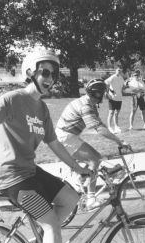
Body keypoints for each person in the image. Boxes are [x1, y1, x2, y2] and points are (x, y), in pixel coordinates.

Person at [0, 49, 95, 243]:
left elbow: (56, 145)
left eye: (54, 74)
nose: (50, 78)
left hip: (29, 171)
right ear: (31, 72)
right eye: (45, 72)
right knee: (52, 224)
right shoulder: (13, 100)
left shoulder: (42, 109)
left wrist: (79, 168)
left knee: (70, 199)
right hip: (11, 177)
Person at [56, 78, 131, 210]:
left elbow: (100, 124)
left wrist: (116, 139)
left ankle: (81, 182)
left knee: (92, 160)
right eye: (103, 93)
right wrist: (119, 141)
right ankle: (91, 199)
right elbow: (99, 129)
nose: (104, 96)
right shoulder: (86, 106)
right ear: (98, 94)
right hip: (66, 137)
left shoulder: (89, 103)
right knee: (95, 158)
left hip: (67, 136)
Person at [104, 68, 125, 134]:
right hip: (112, 98)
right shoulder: (113, 77)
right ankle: (109, 128)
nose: (119, 71)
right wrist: (107, 92)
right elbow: (105, 82)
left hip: (119, 98)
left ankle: (116, 127)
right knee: (111, 113)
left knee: (116, 113)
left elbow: (123, 87)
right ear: (115, 71)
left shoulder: (121, 78)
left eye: (120, 70)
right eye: (118, 70)